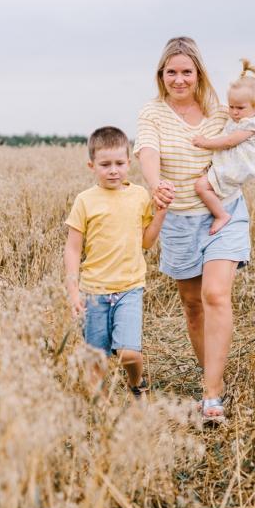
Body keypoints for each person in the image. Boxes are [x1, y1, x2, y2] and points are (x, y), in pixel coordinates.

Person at [134, 37, 252, 423]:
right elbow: (147, 152)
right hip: (180, 219)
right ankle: (211, 374)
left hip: (224, 213)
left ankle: (211, 395)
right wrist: (155, 184)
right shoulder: (151, 114)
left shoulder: (220, 112)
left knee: (216, 294)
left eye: (187, 71)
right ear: (161, 76)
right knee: (192, 305)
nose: (179, 79)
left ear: (197, 73)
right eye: (172, 72)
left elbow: (250, 128)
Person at [63, 126, 170, 396]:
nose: (113, 170)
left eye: (120, 163)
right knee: (96, 360)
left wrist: (160, 214)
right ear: (92, 165)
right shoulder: (85, 201)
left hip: (129, 288)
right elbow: (73, 249)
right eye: (105, 164)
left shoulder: (139, 196)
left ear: (129, 163)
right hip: (94, 292)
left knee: (129, 353)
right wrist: (73, 290)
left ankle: (137, 384)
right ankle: (100, 414)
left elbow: (146, 242)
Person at [192, 59, 255, 235]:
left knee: (200, 186)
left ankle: (221, 215)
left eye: (240, 108)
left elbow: (229, 142)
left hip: (234, 167)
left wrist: (204, 142)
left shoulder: (251, 125)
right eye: (231, 107)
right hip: (226, 161)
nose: (234, 112)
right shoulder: (239, 118)